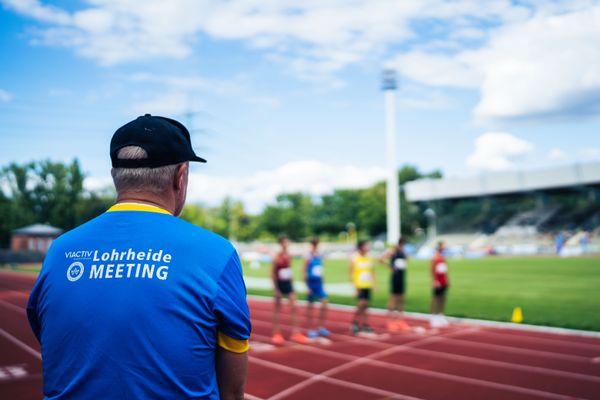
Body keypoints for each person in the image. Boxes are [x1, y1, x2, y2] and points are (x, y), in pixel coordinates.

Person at [27, 114, 251, 400]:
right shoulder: (217, 253)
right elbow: (231, 392)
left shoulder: (59, 251)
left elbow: (55, 345)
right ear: (181, 176)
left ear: (114, 176)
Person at [271, 235, 308, 345]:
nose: (287, 244)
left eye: (288, 242)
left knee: (294, 307)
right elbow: (272, 273)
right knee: (278, 309)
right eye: (285, 242)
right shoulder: (277, 256)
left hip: (288, 283)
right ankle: (276, 333)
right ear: (281, 243)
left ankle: (296, 333)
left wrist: (293, 284)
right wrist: (276, 288)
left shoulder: (289, 256)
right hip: (279, 283)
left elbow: (289, 269)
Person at [379, 238, 410, 332]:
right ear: (401, 243)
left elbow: (407, 260)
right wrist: (390, 267)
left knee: (401, 299)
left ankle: (400, 321)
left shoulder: (403, 251)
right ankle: (390, 321)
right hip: (395, 277)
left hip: (402, 277)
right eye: (404, 244)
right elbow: (380, 259)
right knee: (393, 299)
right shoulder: (393, 250)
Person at [304, 238, 330, 338]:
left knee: (324, 303)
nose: (315, 246)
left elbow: (321, 270)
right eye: (314, 244)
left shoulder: (319, 255)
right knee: (311, 306)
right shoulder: (308, 256)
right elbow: (304, 271)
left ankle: (320, 326)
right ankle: (311, 328)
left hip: (319, 284)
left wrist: (323, 283)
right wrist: (307, 287)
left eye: (316, 244)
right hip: (311, 283)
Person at [349, 240, 376, 334]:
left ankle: (365, 324)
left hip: (367, 285)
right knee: (361, 305)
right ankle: (354, 323)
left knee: (366, 306)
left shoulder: (369, 257)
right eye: (366, 246)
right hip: (359, 285)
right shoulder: (354, 257)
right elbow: (351, 273)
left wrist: (374, 283)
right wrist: (355, 286)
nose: (367, 247)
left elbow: (372, 271)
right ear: (360, 247)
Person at [430, 241, 450, 328]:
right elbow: (432, 270)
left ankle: (441, 315)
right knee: (436, 299)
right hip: (438, 281)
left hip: (443, 281)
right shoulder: (435, 257)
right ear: (439, 247)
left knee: (443, 298)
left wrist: (448, 280)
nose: (444, 248)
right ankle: (433, 317)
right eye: (443, 246)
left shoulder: (443, 257)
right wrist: (434, 281)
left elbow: (445, 270)